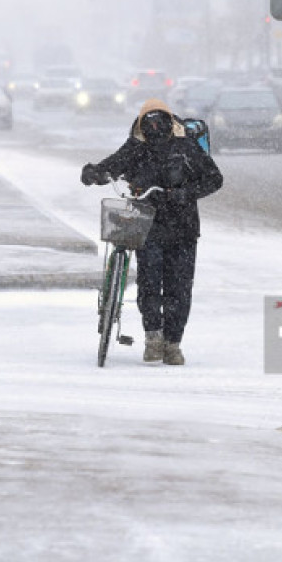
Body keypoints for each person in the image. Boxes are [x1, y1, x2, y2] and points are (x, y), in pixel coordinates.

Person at [81, 99, 223, 365]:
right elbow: (114, 164)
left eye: (160, 122)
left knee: (178, 289)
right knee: (149, 284)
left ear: (170, 122)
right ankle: (153, 338)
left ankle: (173, 344)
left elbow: (214, 179)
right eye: (149, 123)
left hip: (183, 228)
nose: (155, 128)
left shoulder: (186, 148)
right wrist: (95, 172)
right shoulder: (136, 147)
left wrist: (184, 193)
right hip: (146, 226)